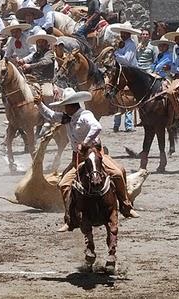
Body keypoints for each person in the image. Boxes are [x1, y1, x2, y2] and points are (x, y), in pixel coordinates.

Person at [33, 88, 140, 232]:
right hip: (77, 157)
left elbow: (97, 127)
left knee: (117, 173)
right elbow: (51, 115)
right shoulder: (67, 117)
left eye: (65, 105)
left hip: (94, 154)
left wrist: (85, 143)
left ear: (71, 105)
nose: (64, 108)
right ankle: (70, 219)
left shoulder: (85, 115)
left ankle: (126, 207)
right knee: (64, 184)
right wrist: (40, 104)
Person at [111, 24, 141, 132]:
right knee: (117, 93)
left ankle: (128, 124)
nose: (123, 35)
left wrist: (116, 55)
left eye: (125, 33)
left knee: (129, 96)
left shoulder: (131, 44)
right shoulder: (121, 44)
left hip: (131, 71)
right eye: (122, 33)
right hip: (122, 70)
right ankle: (117, 123)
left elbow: (127, 60)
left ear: (129, 34)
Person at [18, 30, 56, 103]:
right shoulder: (35, 55)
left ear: (46, 43)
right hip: (32, 80)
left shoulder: (49, 53)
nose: (40, 44)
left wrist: (30, 66)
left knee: (47, 95)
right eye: (38, 42)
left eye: (42, 42)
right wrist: (24, 68)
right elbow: (32, 68)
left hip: (46, 81)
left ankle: (50, 112)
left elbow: (45, 62)